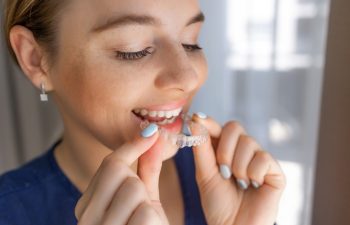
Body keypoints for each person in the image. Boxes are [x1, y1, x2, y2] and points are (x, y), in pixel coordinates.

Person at [0, 0, 286, 224]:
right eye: (134, 49)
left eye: (191, 42)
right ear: (35, 59)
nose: (187, 77)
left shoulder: (228, 185)